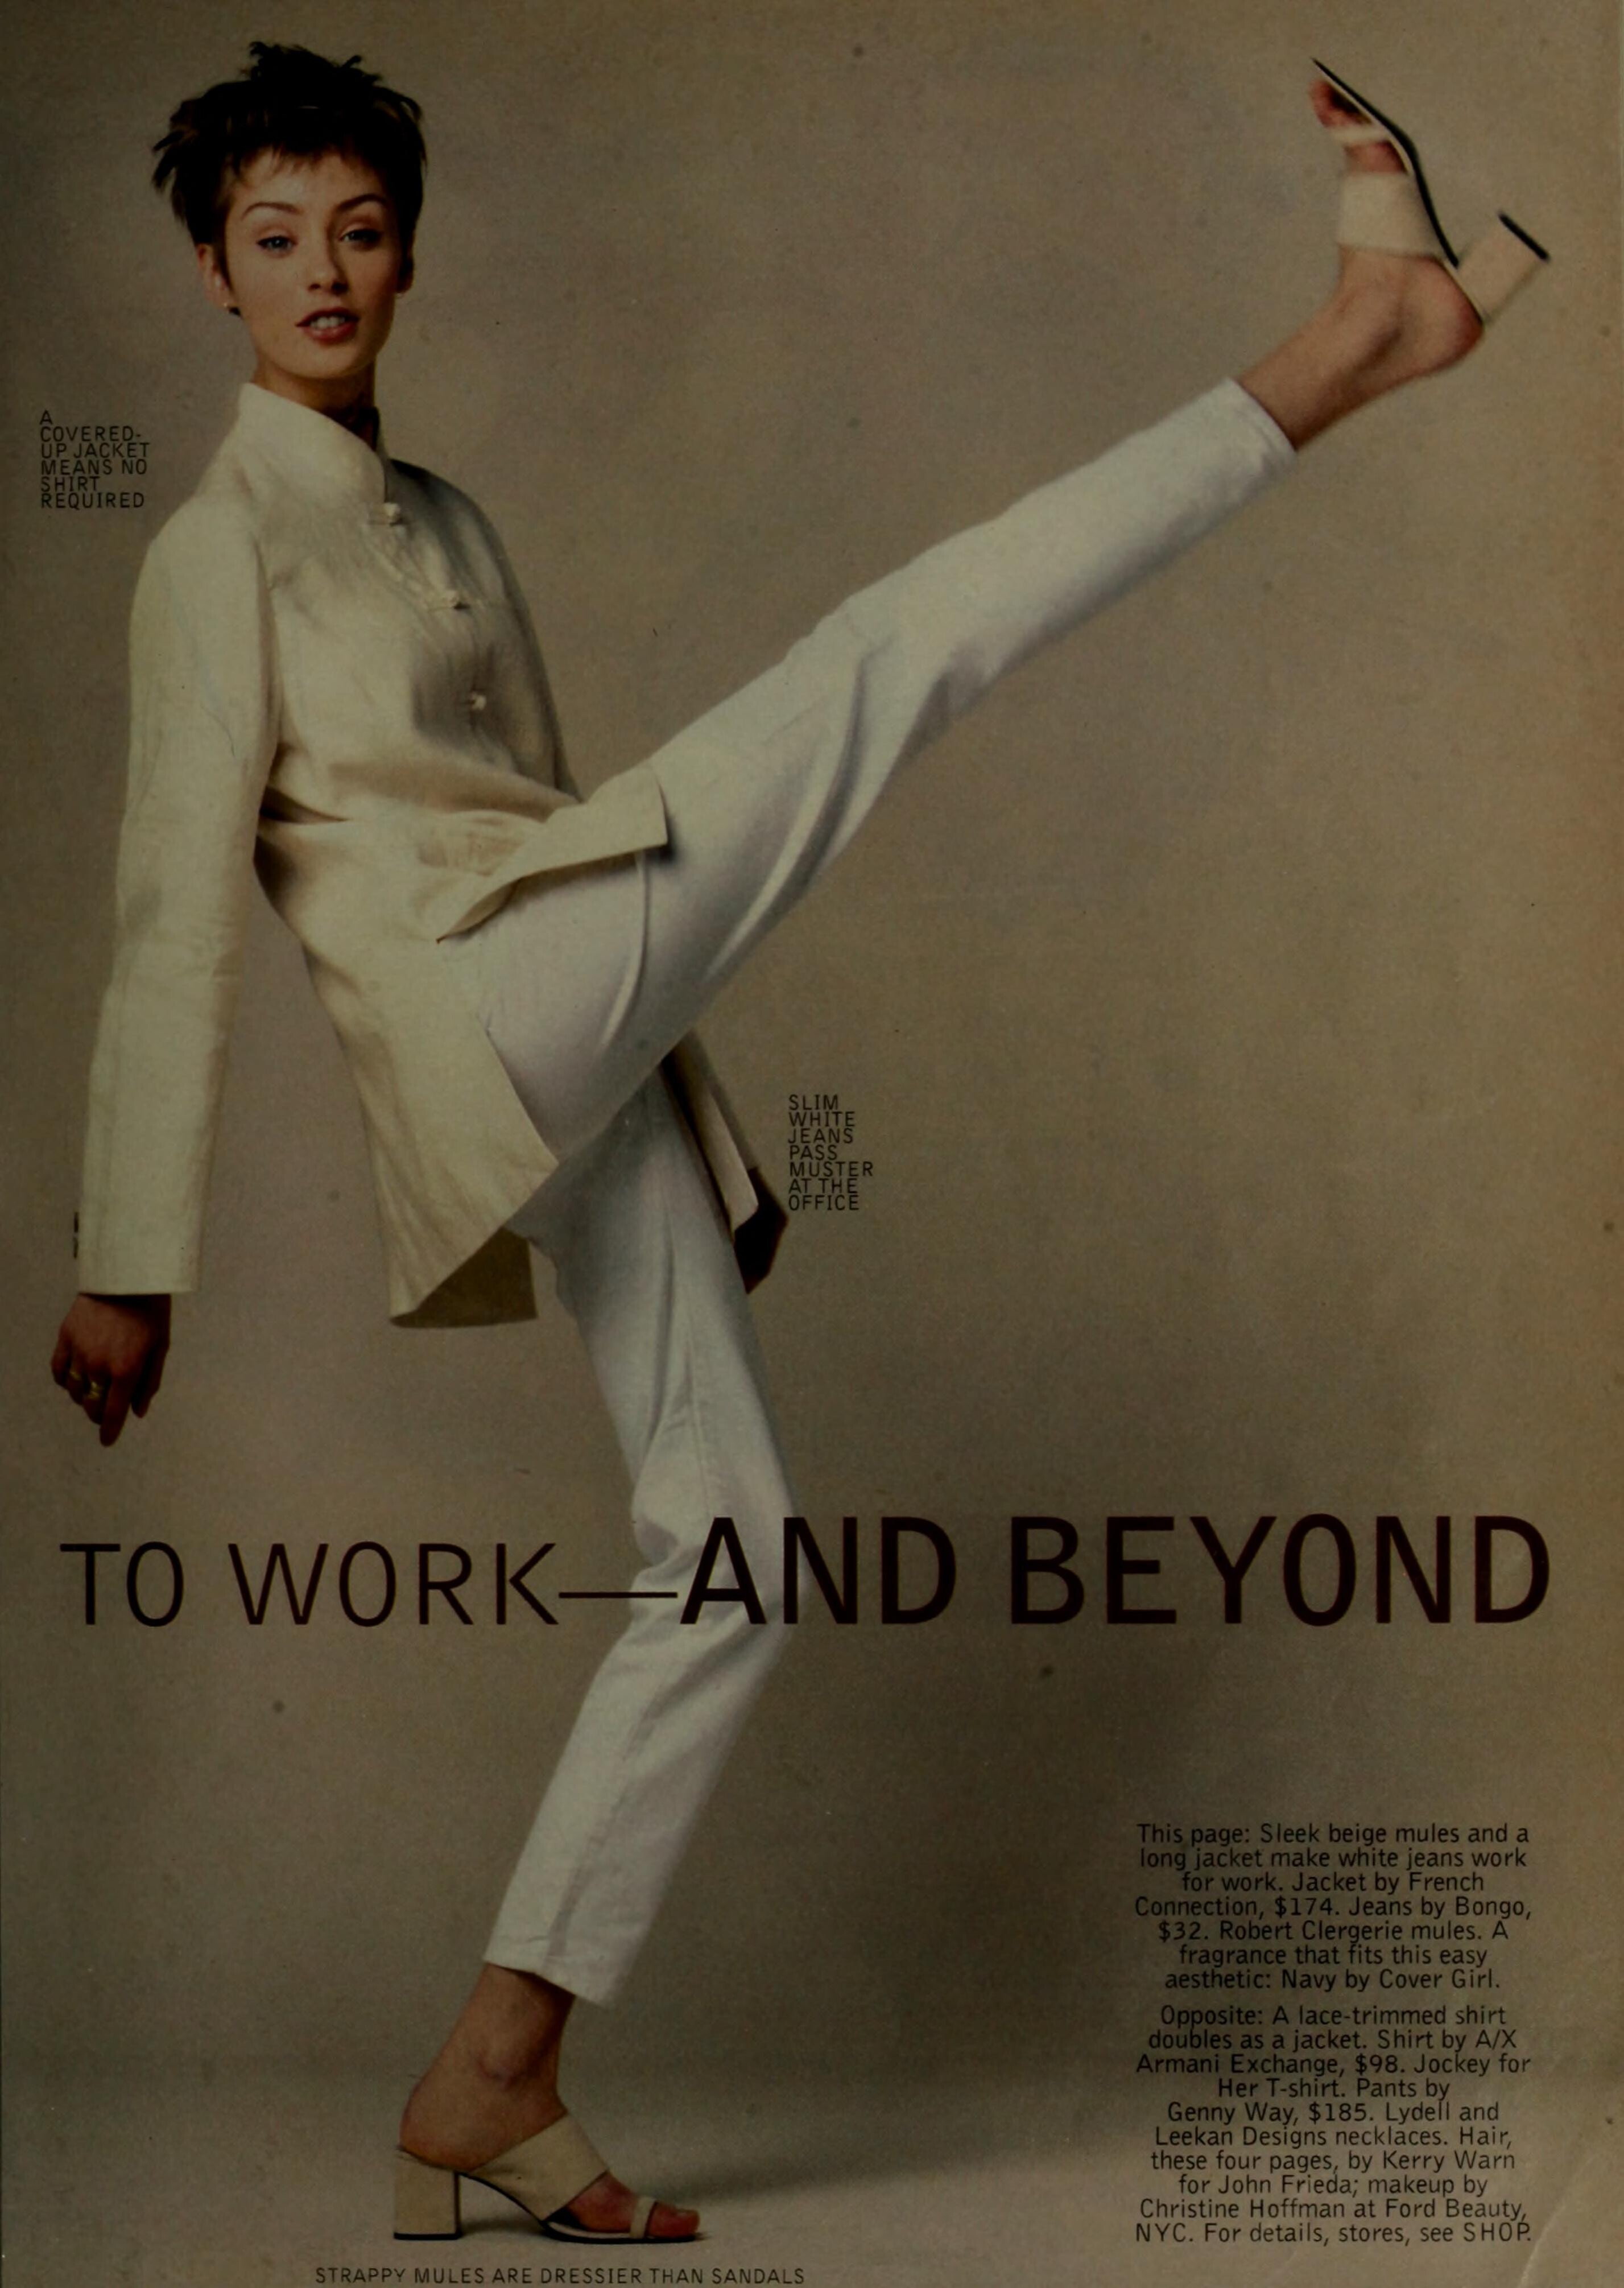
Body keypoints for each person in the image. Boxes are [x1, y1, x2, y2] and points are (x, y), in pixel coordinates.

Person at [49, 40, 1544, 2248]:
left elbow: (582, 846)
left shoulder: (441, 519)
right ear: (215, 272)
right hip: (470, 1024)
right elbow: (178, 910)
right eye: (276, 239)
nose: (324, 272)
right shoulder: (209, 552)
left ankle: (494, 2071)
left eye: (360, 230)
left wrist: (695, 1143)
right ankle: (1357, 341)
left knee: (739, 1548)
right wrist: (126, 1254)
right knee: (890, 650)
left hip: (567, 1042)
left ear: (410, 256)